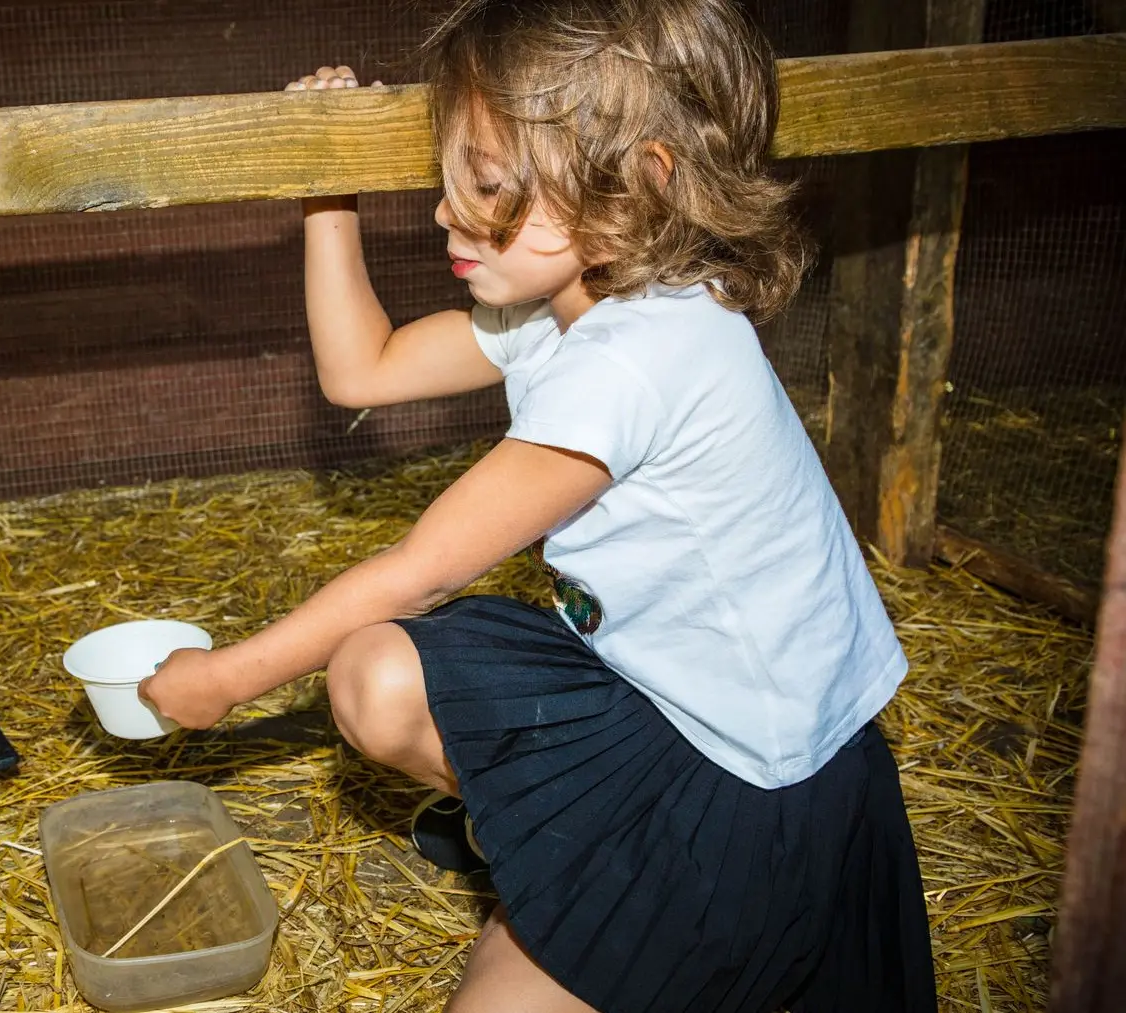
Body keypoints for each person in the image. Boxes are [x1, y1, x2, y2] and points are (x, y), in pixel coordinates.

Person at [139, 1, 936, 1010]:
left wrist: (226, 676)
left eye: (488, 184)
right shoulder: (570, 308)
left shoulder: (646, 355)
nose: (445, 212)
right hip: (653, 691)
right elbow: (362, 369)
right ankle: (548, 853)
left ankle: (621, 888)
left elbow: (422, 567)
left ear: (636, 184)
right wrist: (322, 192)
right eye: (451, 178)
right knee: (375, 670)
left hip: (756, 793)